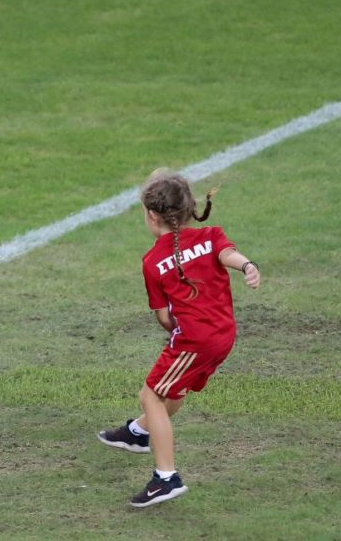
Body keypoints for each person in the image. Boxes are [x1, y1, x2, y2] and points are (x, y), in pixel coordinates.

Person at [97, 169, 261, 508]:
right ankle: (138, 433)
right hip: (224, 335)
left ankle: (166, 478)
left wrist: (179, 330)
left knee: (151, 395)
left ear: (152, 216)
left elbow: (163, 317)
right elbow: (227, 255)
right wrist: (248, 266)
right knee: (175, 389)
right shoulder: (212, 235)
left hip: (194, 340)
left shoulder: (153, 261)